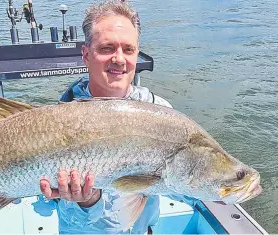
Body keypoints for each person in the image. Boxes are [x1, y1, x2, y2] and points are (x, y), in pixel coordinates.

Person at [32, 1, 195, 234]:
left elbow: (173, 183)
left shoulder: (161, 113)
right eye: (107, 48)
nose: (119, 58)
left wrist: (216, 190)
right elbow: (56, 210)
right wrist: (86, 201)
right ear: (86, 55)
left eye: (128, 49)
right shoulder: (55, 123)